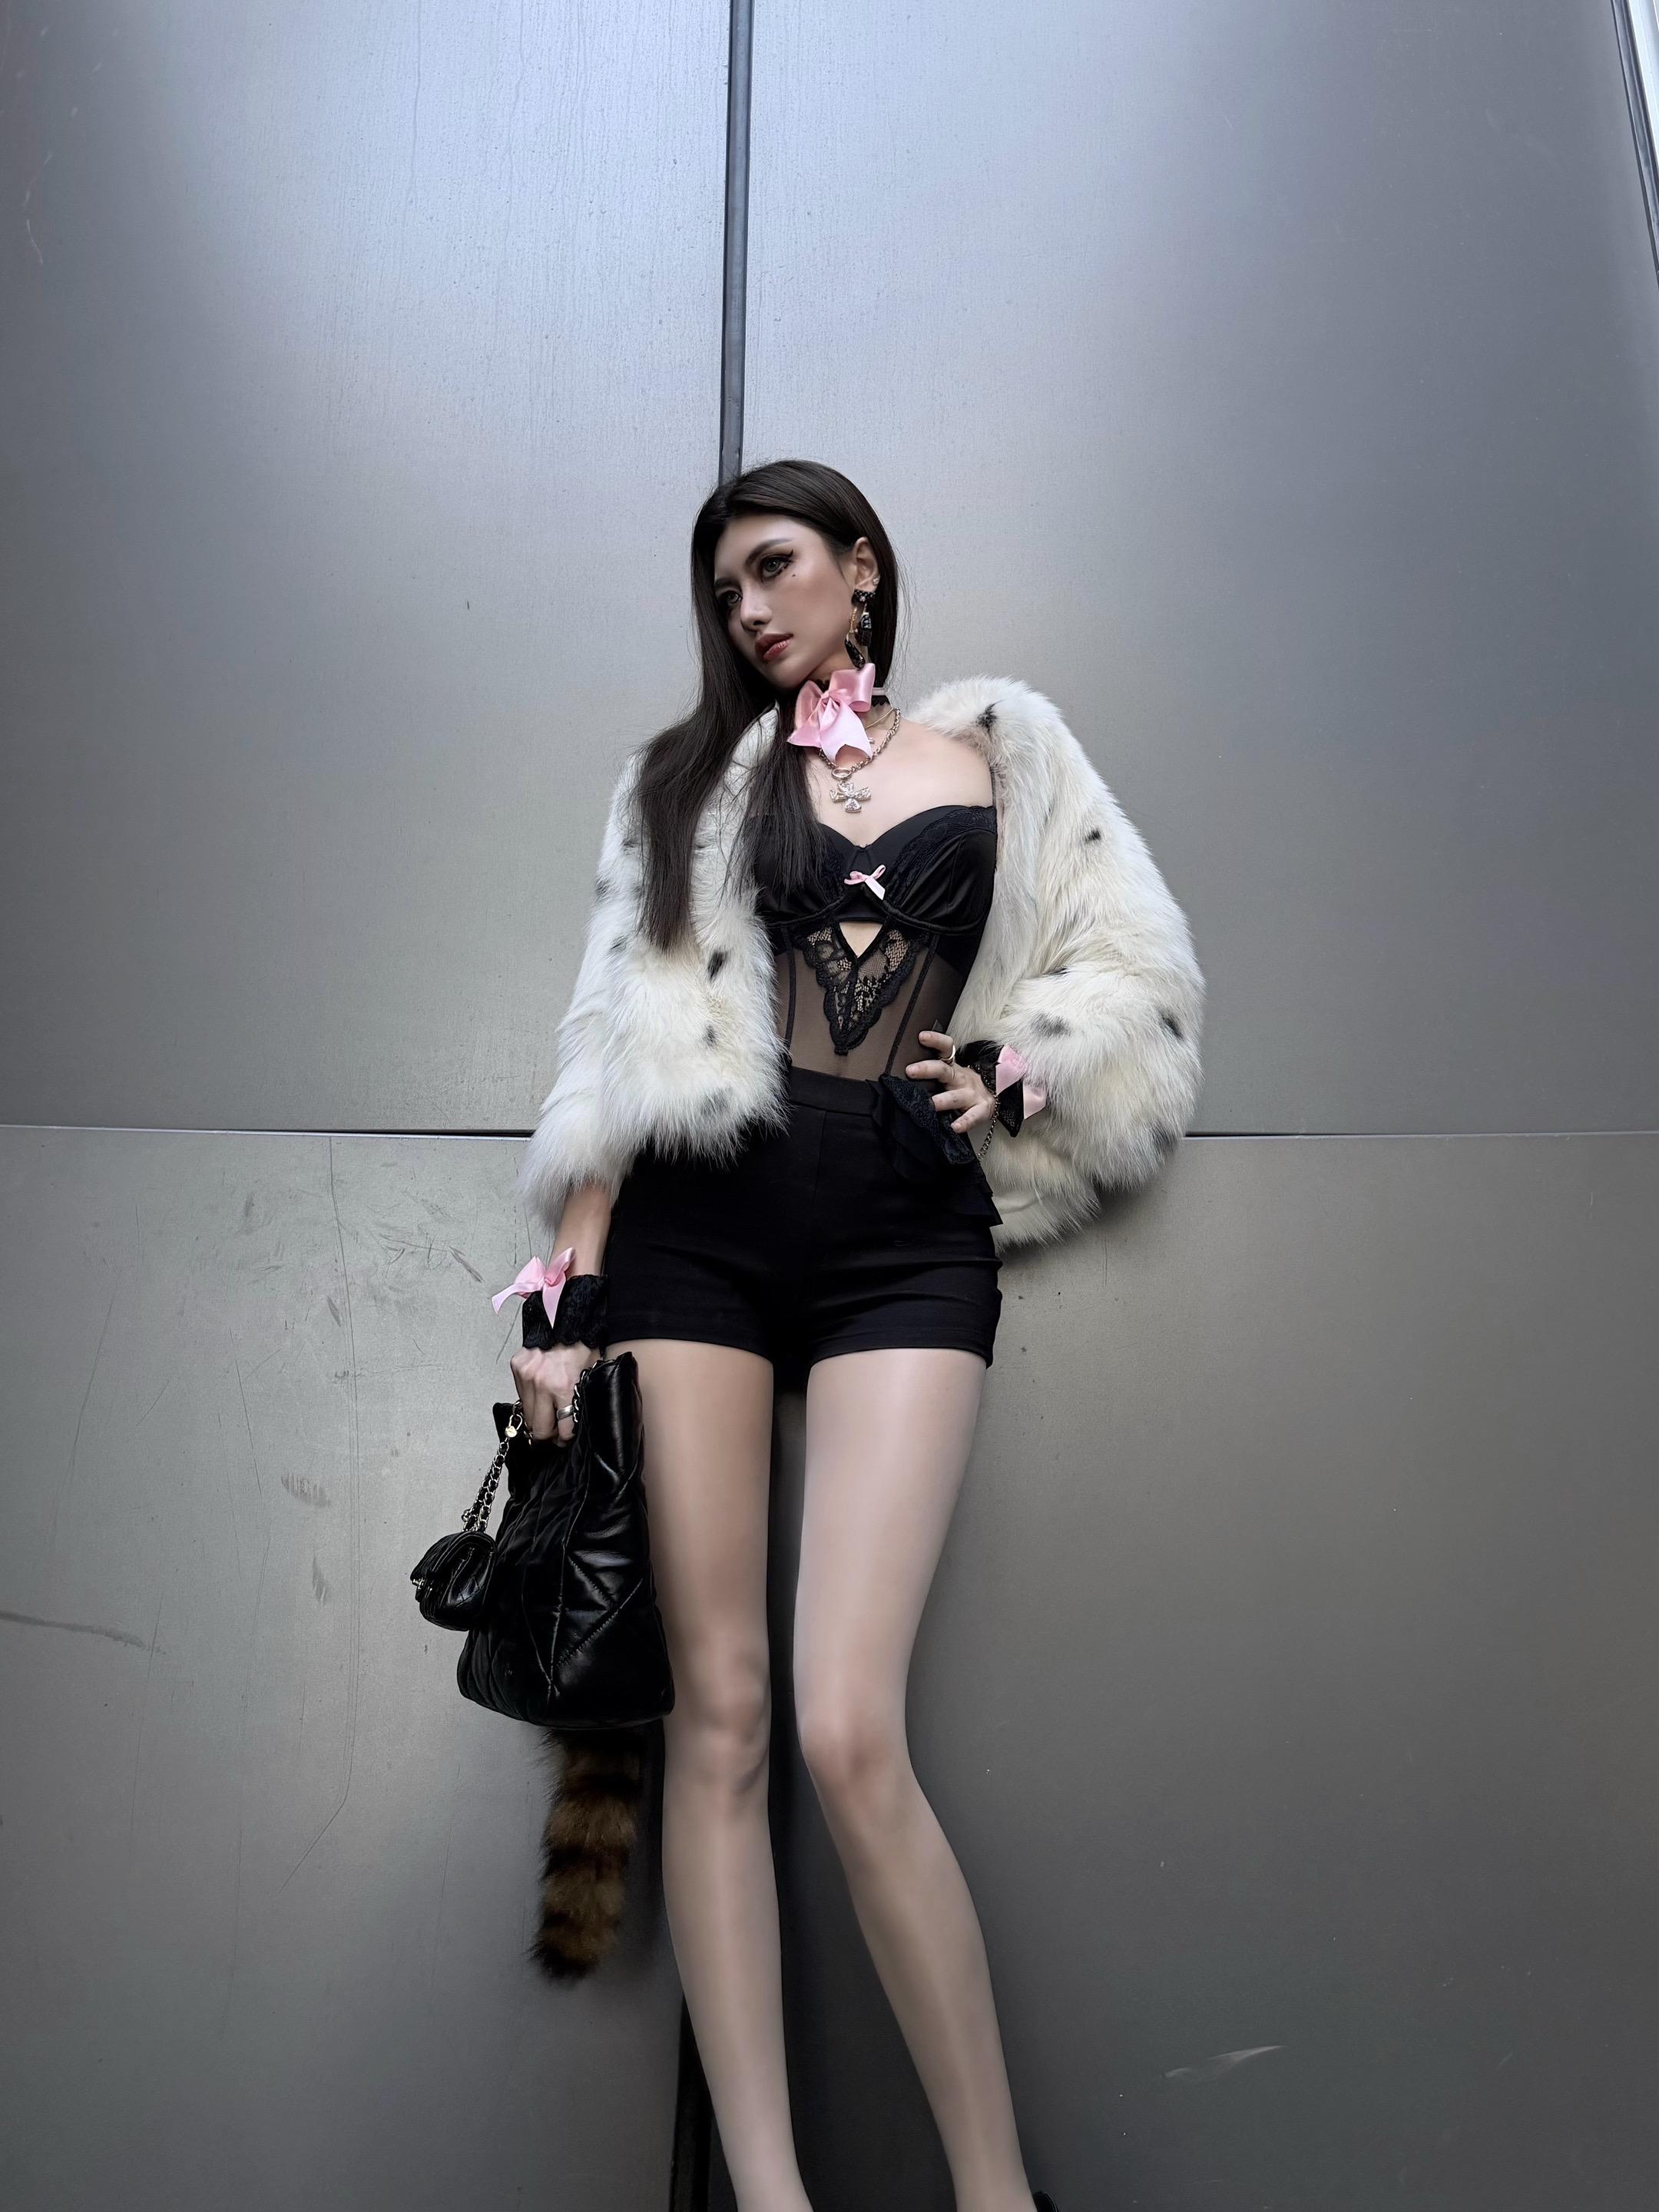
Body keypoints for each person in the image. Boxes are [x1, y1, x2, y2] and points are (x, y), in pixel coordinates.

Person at [508, 459, 1204, 2212]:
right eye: (725, 590)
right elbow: (615, 1038)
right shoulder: (686, 783)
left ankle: (996, 2195)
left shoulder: (1007, 755)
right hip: (701, 1233)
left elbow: (1140, 977)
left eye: (775, 568)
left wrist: (1021, 1061)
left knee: (845, 1729)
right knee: (722, 1715)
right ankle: (771, 2197)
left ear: (863, 569)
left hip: (905, 1228)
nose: (750, 609)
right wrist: (564, 1312)